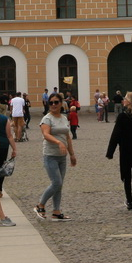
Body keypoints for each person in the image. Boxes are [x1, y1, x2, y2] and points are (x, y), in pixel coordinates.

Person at [35, 92, 77, 221]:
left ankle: (56, 212)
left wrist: (72, 154)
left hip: (62, 157)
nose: (53, 105)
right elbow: (46, 134)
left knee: (60, 184)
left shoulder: (64, 118)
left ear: (61, 103)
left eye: (56, 102)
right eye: (51, 102)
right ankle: (40, 205)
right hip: (50, 155)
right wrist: (58, 142)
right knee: (56, 182)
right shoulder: (47, 119)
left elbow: (67, 137)